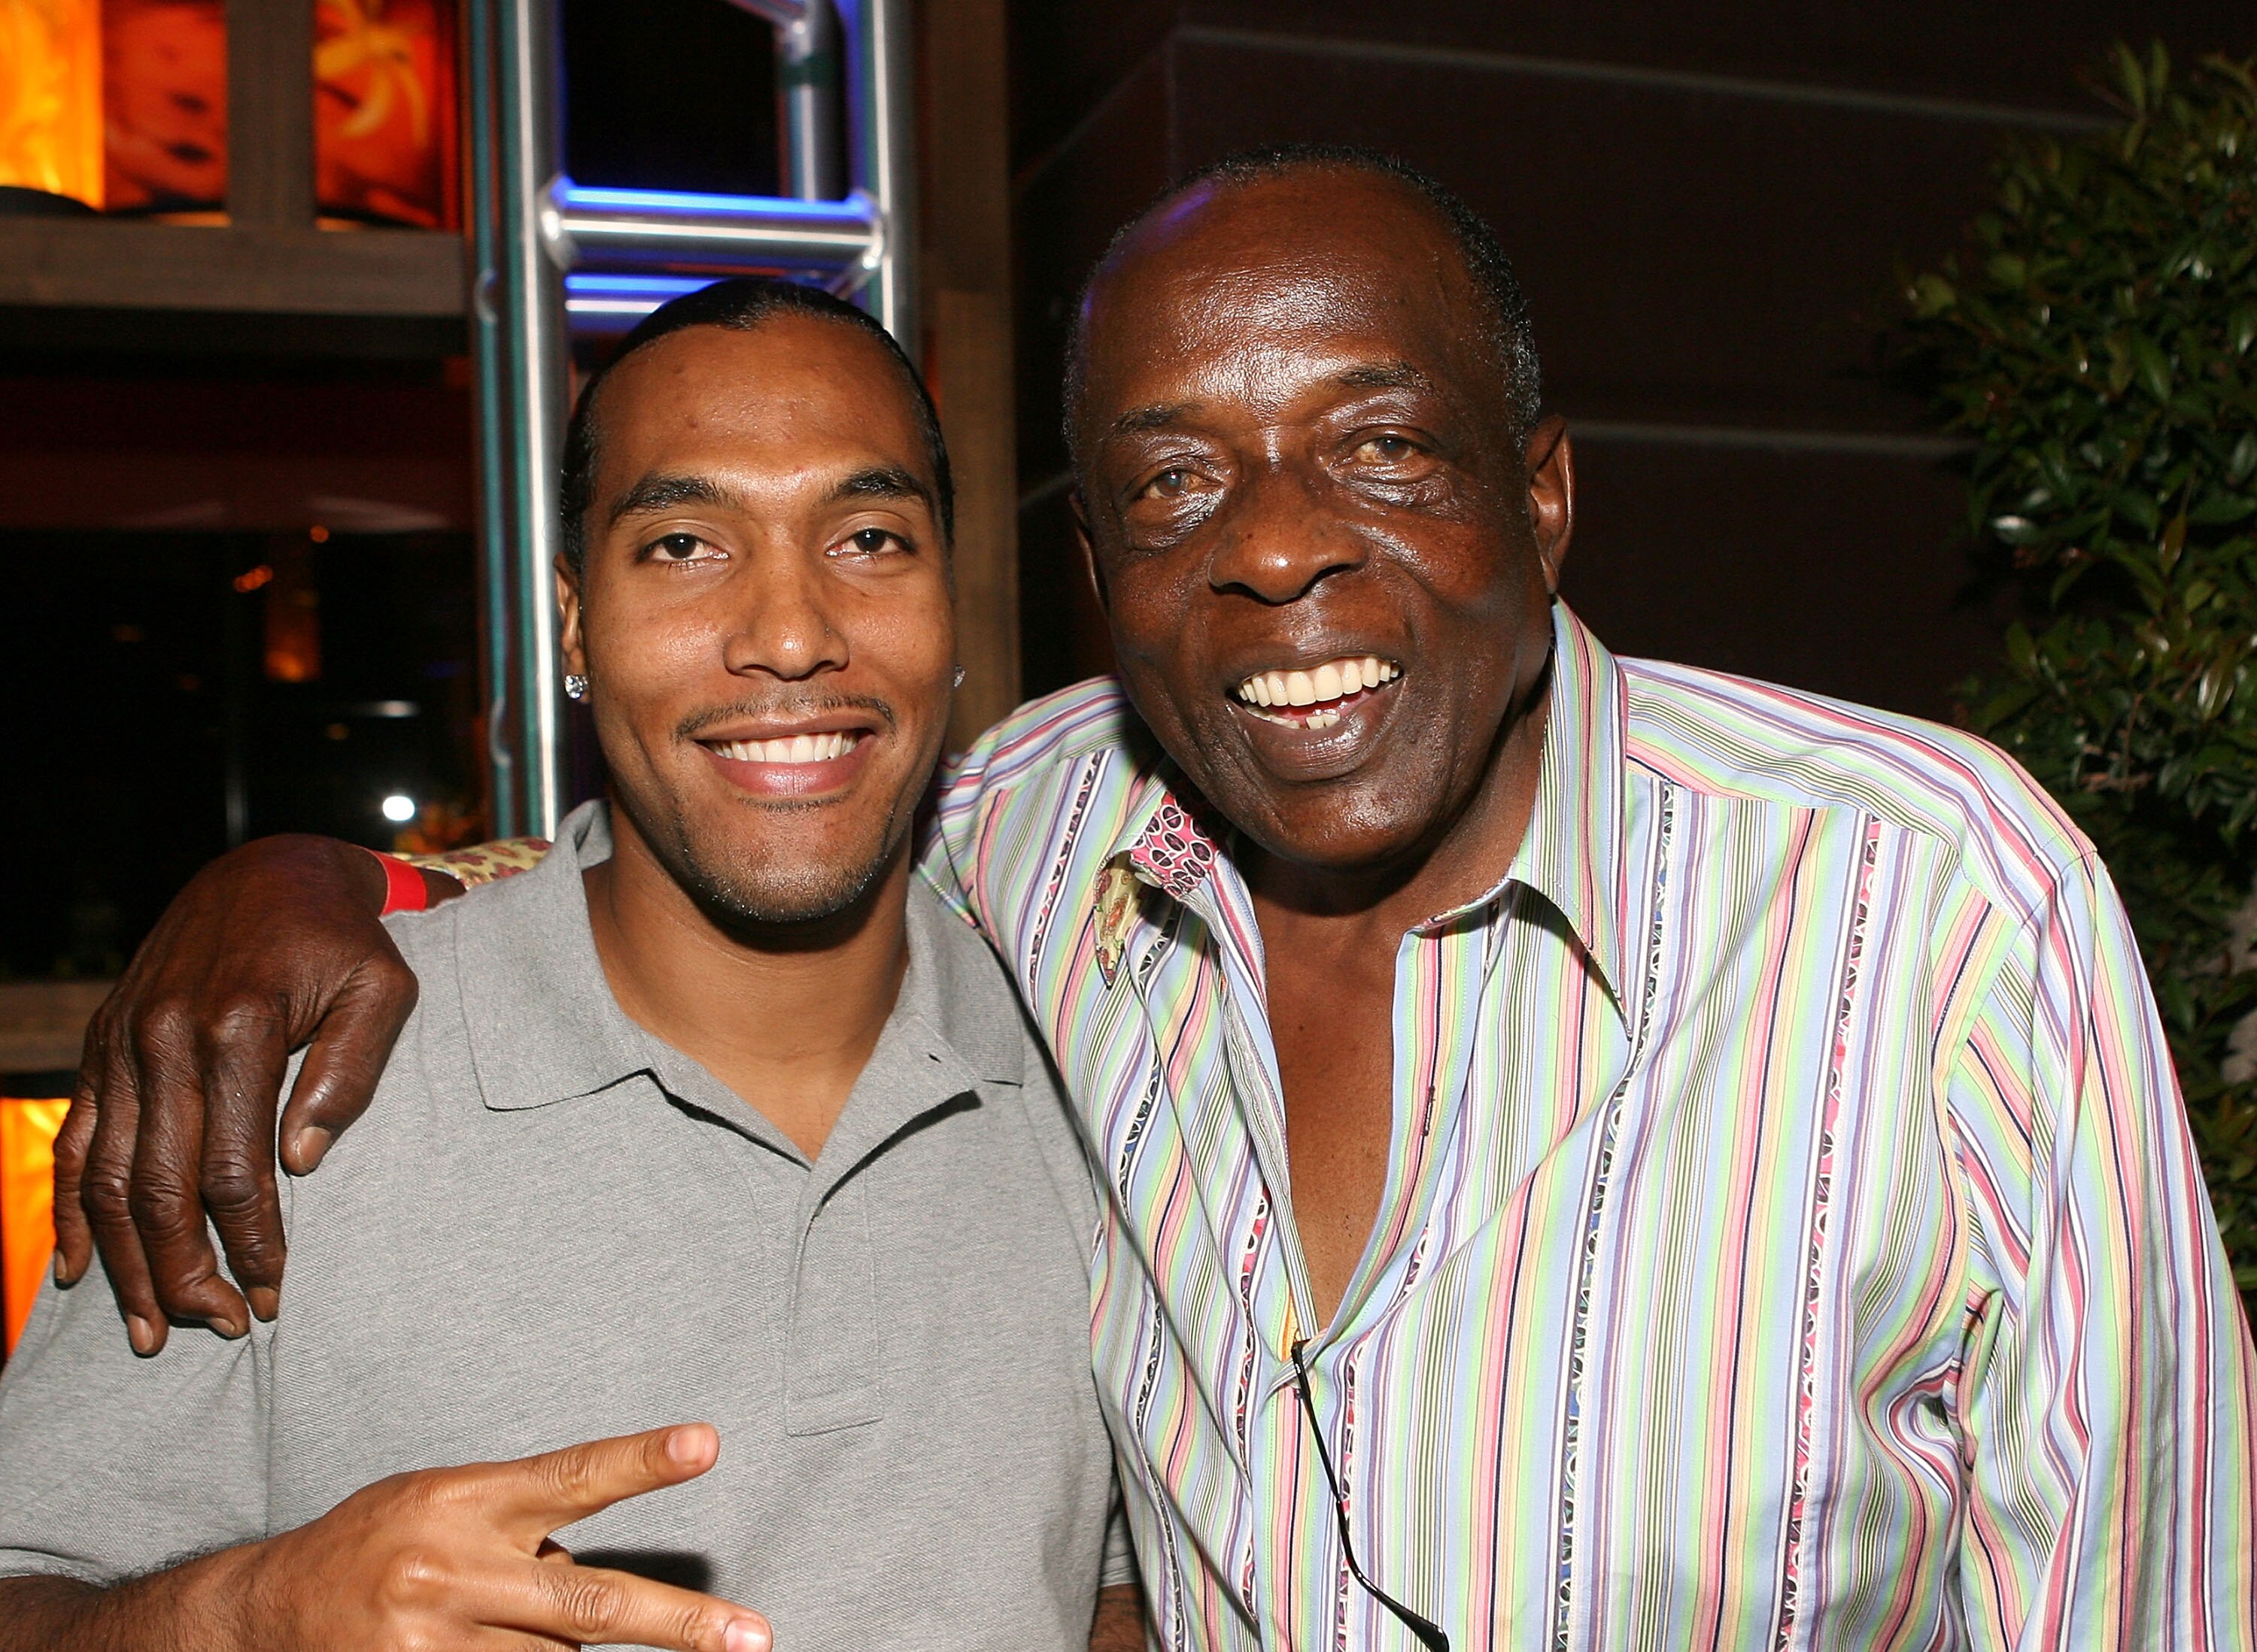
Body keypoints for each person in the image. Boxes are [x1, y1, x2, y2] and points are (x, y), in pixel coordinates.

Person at [54, 147, 2257, 1649]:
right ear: (1102, 584)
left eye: (1383, 442)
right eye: (1181, 480)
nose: (1282, 545)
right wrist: (310, 877)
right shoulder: (1046, 851)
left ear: (1549, 490)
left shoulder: (1933, 904)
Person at [0, 278, 1139, 1652]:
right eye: (682, 545)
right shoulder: (281, 1084)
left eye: (871, 535)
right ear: (574, 625)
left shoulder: (1105, 1054)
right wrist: (250, 1619)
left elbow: (1111, 1579)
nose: (790, 633)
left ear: (949, 601)